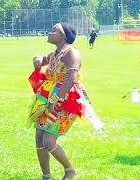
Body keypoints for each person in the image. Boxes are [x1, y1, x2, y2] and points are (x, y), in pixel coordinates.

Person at [28, 22, 97, 180]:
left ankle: (70, 170)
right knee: (39, 136)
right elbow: (42, 58)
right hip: (47, 100)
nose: (50, 33)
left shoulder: (71, 53)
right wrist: (37, 60)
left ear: (63, 36)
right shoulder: (55, 54)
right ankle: (46, 176)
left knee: (48, 141)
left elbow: (72, 78)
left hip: (65, 101)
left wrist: (55, 99)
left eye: (54, 31)